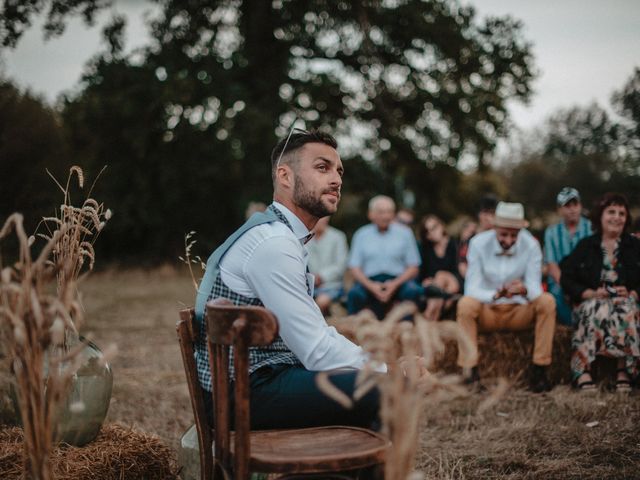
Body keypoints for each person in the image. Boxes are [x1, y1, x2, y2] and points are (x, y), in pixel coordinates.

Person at [194, 129, 382, 430]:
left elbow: (314, 335)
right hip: (243, 390)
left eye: (339, 171)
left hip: (255, 378)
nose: (337, 179)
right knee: (381, 390)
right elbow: (316, 348)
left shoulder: (281, 236)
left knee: (370, 385)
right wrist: (388, 372)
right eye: (323, 168)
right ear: (285, 176)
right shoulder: (273, 243)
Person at [456, 202, 556, 392]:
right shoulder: (478, 243)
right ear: (494, 228)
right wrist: (495, 294)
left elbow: (536, 288)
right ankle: (470, 372)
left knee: (547, 301)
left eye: (514, 235)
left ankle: (540, 370)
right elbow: (471, 289)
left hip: (519, 312)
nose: (509, 240)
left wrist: (524, 289)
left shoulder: (532, 245)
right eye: (504, 234)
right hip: (488, 312)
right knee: (465, 304)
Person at [560, 193, 640, 392]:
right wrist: (587, 292)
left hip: (625, 300)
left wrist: (633, 293)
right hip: (593, 299)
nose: (616, 217)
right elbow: (566, 276)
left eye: (621, 213)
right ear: (600, 217)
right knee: (592, 308)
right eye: (611, 212)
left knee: (627, 308)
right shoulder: (587, 245)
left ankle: (624, 371)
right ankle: (583, 371)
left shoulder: (634, 245)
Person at [347, 195, 423, 320]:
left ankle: (407, 332)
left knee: (414, 291)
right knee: (354, 294)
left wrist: (394, 284)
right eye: (381, 212)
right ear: (371, 214)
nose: (386, 216)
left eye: (389, 212)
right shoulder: (361, 234)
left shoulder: (405, 233)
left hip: (398, 281)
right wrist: (371, 286)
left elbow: (414, 266)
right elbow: (354, 267)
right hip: (369, 282)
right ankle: (354, 334)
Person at [543, 187, 592, 326]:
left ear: (580, 206)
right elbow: (552, 265)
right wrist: (567, 286)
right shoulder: (551, 232)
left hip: (586, 280)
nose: (572, 209)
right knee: (556, 296)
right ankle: (575, 328)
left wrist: (579, 289)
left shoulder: (592, 228)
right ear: (559, 210)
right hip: (560, 281)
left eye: (575, 204)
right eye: (567, 206)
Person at [418, 214, 462, 321]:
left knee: (440, 275)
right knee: (439, 294)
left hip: (455, 282)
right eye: (427, 232)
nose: (432, 233)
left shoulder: (455, 244)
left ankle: (427, 317)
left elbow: (458, 270)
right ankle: (433, 319)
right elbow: (424, 273)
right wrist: (426, 281)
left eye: (434, 227)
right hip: (439, 287)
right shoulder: (426, 249)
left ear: (441, 226)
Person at [307, 215, 348, 315]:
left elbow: (341, 265)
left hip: (332, 285)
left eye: (322, 217)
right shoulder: (305, 237)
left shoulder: (338, 237)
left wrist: (321, 277)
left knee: (321, 302)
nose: (319, 220)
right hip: (307, 284)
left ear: (327, 218)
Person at [458, 194, 498, 278]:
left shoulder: (501, 237)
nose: (488, 217)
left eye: (492, 213)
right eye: (485, 212)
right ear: (479, 214)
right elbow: (462, 264)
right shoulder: (470, 238)